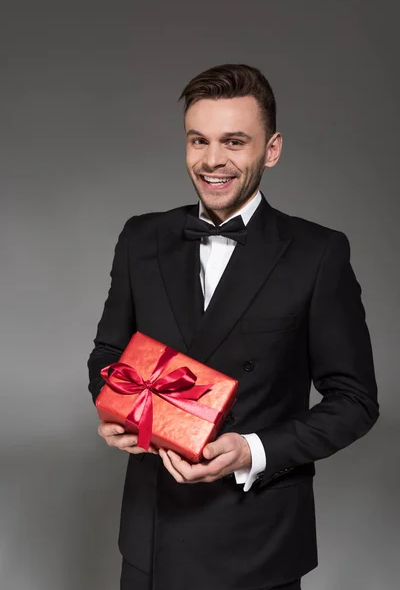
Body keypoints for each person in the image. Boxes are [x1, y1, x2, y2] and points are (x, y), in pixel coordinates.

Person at [87, 64, 379, 590]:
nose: (212, 160)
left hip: (257, 542)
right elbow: (109, 350)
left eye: (234, 141)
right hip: (152, 537)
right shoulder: (140, 238)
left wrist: (253, 450)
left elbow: (355, 401)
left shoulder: (317, 254)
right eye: (198, 140)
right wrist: (112, 403)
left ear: (272, 149)